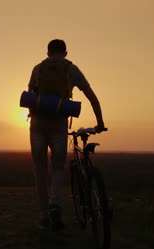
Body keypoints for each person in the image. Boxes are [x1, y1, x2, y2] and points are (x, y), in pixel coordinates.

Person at [27, 39, 106, 231]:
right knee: (58, 168)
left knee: (40, 170)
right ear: (66, 53)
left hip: (37, 123)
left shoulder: (38, 68)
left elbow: (30, 97)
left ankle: (44, 217)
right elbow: (92, 96)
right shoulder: (71, 69)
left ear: (48, 53)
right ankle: (55, 203)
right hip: (59, 123)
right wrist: (100, 123)